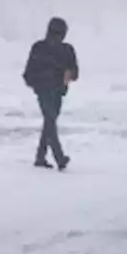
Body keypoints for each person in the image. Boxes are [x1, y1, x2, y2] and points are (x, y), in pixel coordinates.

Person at [22, 16, 79, 170]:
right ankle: (59, 157)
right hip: (43, 91)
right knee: (50, 120)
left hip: (58, 92)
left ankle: (40, 157)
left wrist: (69, 74)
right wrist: (40, 82)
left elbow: (75, 72)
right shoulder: (39, 48)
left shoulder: (67, 50)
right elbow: (28, 74)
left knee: (49, 123)